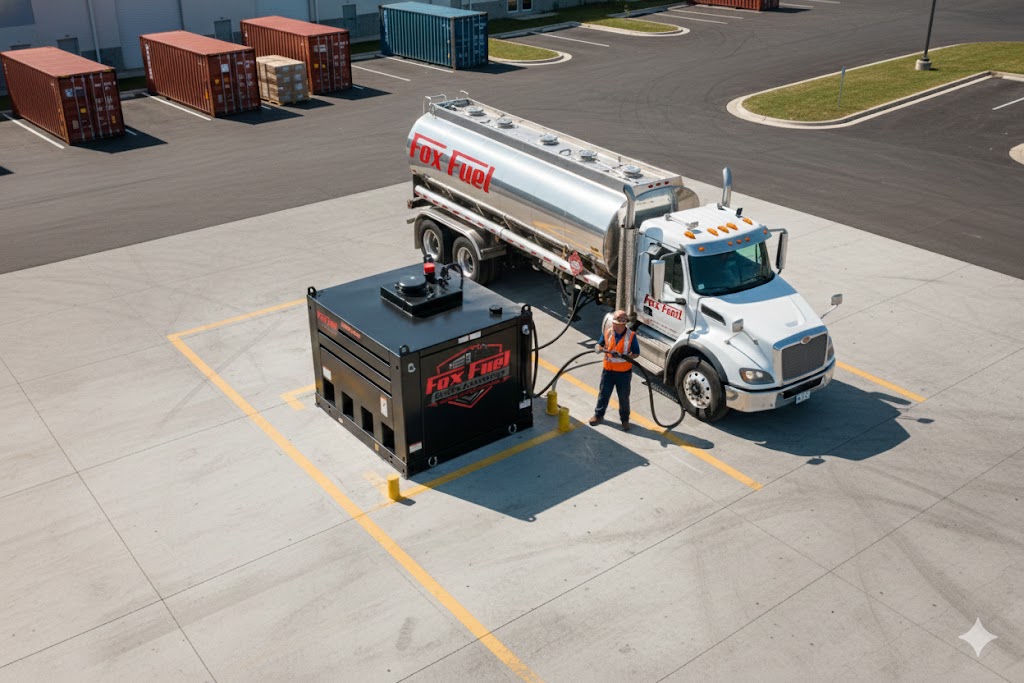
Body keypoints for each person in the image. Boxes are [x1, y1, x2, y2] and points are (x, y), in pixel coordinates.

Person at [589, 309, 640, 431]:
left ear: (623, 325)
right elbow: (600, 343)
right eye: (613, 323)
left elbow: (636, 353)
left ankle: (625, 420)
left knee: (623, 397)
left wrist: (624, 356)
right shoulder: (608, 332)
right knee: (603, 394)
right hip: (608, 371)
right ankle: (598, 415)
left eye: (616, 324)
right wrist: (598, 347)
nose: (613, 325)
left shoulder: (631, 336)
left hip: (623, 374)